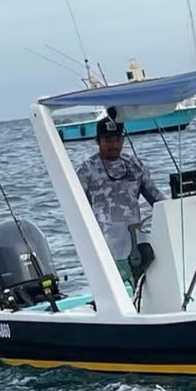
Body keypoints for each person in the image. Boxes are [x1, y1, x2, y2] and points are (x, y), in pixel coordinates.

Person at [75, 115, 166, 284]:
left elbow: (156, 198)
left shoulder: (134, 165)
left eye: (118, 139)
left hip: (135, 242)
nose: (114, 145)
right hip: (105, 243)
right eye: (108, 140)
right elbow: (76, 209)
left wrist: (175, 211)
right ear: (98, 141)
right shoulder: (86, 171)